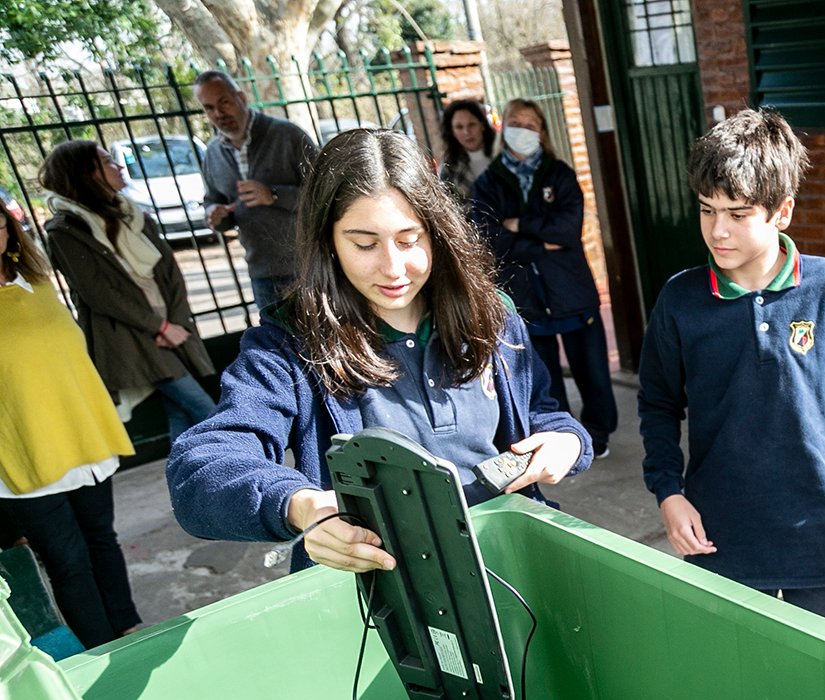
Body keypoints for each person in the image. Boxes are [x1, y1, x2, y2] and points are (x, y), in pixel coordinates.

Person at [167, 128, 591, 574]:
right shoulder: (290, 344)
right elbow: (201, 468)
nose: (393, 267)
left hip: (512, 563)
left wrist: (567, 441)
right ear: (327, 241)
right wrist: (300, 505)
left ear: (438, 233)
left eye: (409, 240)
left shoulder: (493, 315)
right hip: (385, 591)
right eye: (364, 244)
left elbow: (540, 412)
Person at [637, 108, 825, 629]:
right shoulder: (680, 300)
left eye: (737, 214)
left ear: (782, 212)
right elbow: (658, 404)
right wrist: (669, 492)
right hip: (722, 540)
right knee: (742, 692)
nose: (717, 230)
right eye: (706, 209)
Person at [0, 194, 142, 648]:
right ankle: (102, 648)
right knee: (67, 560)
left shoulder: (36, 284)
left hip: (82, 437)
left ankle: (128, 626)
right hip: (22, 450)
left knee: (103, 540)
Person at [40, 140, 217, 442]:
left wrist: (174, 322)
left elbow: (169, 270)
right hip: (132, 335)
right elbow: (99, 293)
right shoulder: (66, 229)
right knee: (206, 411)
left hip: (170, 326)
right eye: (108, 162)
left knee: (181, 415)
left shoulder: (133, 214)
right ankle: (253, 469)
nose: (119, 166)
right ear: (86, 173)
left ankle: (188, 483)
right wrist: (159, 326)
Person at [469, 98, 617, 458]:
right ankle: (558, 439)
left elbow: (568, 230)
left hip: (571, 290)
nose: (524, 130)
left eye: (532, 124)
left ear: (542, 131)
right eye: (517, 122)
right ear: (504, 127)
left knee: (593, 371)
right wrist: (540, 243)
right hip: (525, 296)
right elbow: (489, 240)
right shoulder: (488, 183)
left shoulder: (560, 174)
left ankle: (597, 434)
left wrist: (520, 225)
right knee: (544, 374)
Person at [194, 69, 320, 311]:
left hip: (307, 267)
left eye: (224, 102)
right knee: (275, 347)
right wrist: (216, 215)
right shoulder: (212, 153)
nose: (218, 113)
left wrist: (274, 195)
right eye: (209, 108)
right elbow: (213, 200)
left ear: (241, 98)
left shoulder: (287, 135)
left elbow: (325, 195)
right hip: (262, 274)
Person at [437, 98, 496, 202]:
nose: (466, 132)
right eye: (459, 127)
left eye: (472, 124)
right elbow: (448, 209)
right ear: (452, 132)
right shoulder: (449, 167)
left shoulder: (504, 154)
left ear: (482, 125)